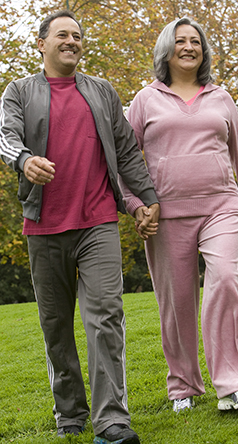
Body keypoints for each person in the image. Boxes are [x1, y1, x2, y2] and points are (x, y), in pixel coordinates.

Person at [0, 10, 160, 444]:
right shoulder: (19, 91)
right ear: (41, 43)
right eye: (62, 35)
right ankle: (69, 410)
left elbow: (126, 150)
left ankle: (111, 421)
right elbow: (6, 135)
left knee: (106, 316)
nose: (72, 41)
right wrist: (24, 160)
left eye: (77, 36)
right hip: (44, 225)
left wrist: (147, 199)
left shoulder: (102, 92)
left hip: (98, 223)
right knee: (55, 324)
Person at [119, 17, 238, 413]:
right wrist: (135, 206)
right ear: (165, 50)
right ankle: (183, 385)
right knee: (177, 302)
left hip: (220, 206)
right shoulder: (145, 100)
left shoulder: (221, 97)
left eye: (196, 42)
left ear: (203, 51)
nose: (189, 47)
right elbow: (125, 162)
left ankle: (236, 385)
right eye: (180, 41)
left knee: (225, 280)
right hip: (166, 216)